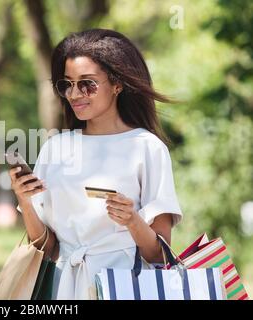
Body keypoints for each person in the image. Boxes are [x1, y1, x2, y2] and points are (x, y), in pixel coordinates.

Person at [9, 29, 183, 300]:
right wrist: (25, 201)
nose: (75, 94)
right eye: (67, 84)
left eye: (87, 84)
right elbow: (46, 246)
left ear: (117, 84)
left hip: (124, 287)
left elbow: (159, 254)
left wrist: (132, 219)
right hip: (62, 287)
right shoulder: (56, 147)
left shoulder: (147, 147)